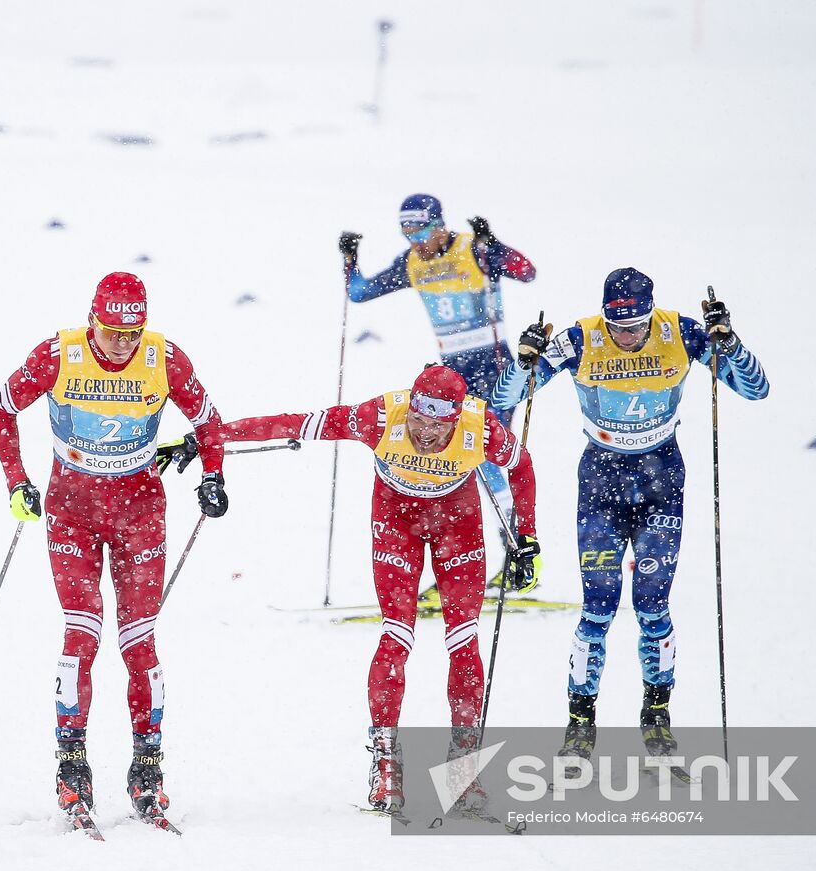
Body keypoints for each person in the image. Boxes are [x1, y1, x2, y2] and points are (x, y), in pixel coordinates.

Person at [219, 364, 541, 814]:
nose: (425, 432)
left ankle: (464, 768)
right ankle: (386, 765)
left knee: (463, 640)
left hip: (458, 523)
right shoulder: (379, 417)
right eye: (418, 419)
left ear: (455, 417)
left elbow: (521, 466)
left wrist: (526, 537)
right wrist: (213, 435)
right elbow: (299, 424)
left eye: (438, 423)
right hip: (397, 522)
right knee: (396, 634)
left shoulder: (481, 427)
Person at [494, 268, 769, 763]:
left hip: (661, 480)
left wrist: (729, 344)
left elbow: (756, 389)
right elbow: (506, 400)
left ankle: (657, 720)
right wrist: (523, 360)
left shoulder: (682, 333)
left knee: (652, 605)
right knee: (597, 606)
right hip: (600, 480)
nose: (625, 335)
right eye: (617, 326)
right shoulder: (578, 340)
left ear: (650, 314)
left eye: (635, 325)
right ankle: (580, 726)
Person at [0, 271, 228, 829]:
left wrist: (213, 478)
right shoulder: (59, 354)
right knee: (82, 633)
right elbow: (1, 409)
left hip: (140, 513)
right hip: (70, 511)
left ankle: (149, 769)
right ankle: (72, 767)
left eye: (132, 332)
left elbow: (210, 423)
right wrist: (16, 481)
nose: (123, 343)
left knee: (138, 642)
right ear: (92, 319)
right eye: (113, 331)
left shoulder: (164, 358)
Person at [339, 194, 536, 564]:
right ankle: (469, 557)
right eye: (406, 231)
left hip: (493, 368)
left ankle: (520, 553)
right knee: (457, 463)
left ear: (439, 224)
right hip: (453, 377)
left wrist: (494, 246)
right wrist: (350, 260)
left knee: (489, 457)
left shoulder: (471, 249)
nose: (415, 240)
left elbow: (526, 271)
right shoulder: (413, 262)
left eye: (421, 229)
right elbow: (359, 293)